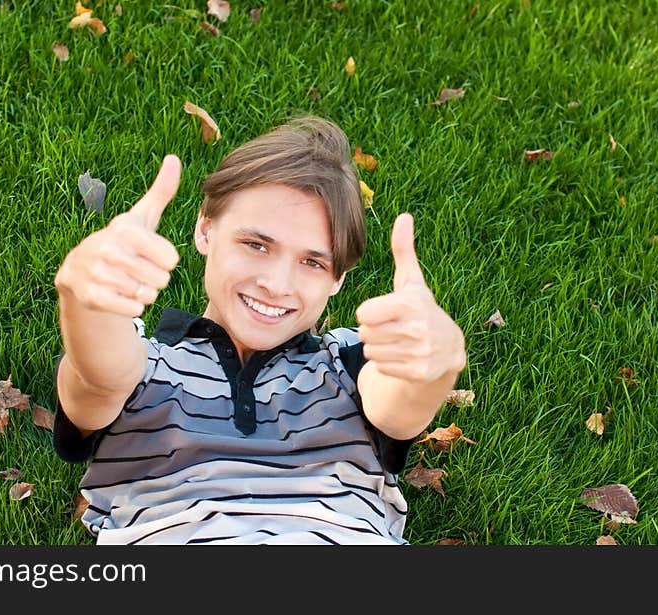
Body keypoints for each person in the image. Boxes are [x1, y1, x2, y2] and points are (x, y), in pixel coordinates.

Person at [51, 115, 467, 544]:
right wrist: (88, 308)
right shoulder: (146, 363)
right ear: (205, 230)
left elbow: (398, 404)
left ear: (338, 278)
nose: (277, 283)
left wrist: (432, 364)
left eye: (312, 262)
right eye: (256, 245)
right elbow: (99, 377)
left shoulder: (348, 363)